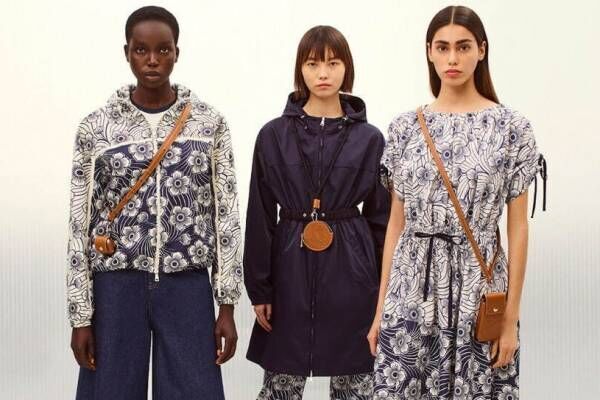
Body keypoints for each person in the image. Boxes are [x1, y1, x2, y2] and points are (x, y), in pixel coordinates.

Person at [367, 5, 547, 399]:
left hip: (476, 287)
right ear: (429, 52)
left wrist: (510, 319)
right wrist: (380, 310)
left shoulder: (511, 128)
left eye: (463, 47)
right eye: (443, 47)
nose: (452, 58)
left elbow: (518, 227)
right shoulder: (404, 129)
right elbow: (396, 226)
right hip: (410, 288)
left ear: (481, 50)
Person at [66, 6, 242, 399]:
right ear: (126, 52)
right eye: (141, 49)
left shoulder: (208, 124)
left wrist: (227, 304)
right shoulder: (96, 127)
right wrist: (80, 316)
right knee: (111, 392)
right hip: (116, 285)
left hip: (187, 284)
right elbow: (79, 222)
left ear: (177, 52)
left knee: (196, 392)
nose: (152, 60)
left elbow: (226, 215)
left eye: (163, 50)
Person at [243, 25, 390, 399]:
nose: (323, 73)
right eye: (312, 64)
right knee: (280, 385)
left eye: (333, 63)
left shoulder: (371, 139)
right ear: (300, 69)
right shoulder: (273, 135)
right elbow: (260, 216)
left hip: (353, 272)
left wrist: (383, 292)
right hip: (289, 269)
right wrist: (259, 288)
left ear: (347, 68)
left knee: (356, 383)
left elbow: (383, 222)